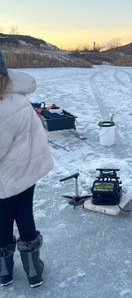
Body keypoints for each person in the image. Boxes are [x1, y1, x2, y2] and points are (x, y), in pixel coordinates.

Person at [0, 52, 54, 287]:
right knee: (24, 216)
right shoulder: (19, 98)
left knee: (2, 219)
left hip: (7, 175)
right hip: (27, 170)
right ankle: (33, 271)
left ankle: (4, 271)